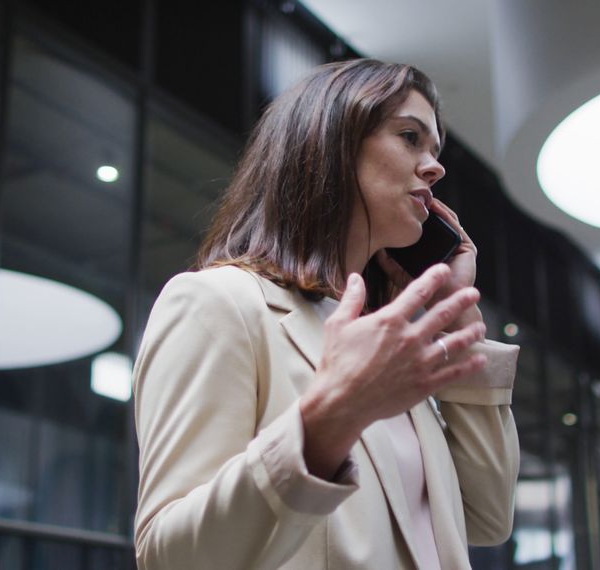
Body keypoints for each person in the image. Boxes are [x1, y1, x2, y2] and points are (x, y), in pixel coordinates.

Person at [132, 58, 520, 570]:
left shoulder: (383, 344)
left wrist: (457, 320)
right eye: (409, 137)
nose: (435, 166)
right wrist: (328, 422)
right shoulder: (218, 303)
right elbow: (168, 556)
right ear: (332, 141)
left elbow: (488, 518)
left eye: (435, 149)